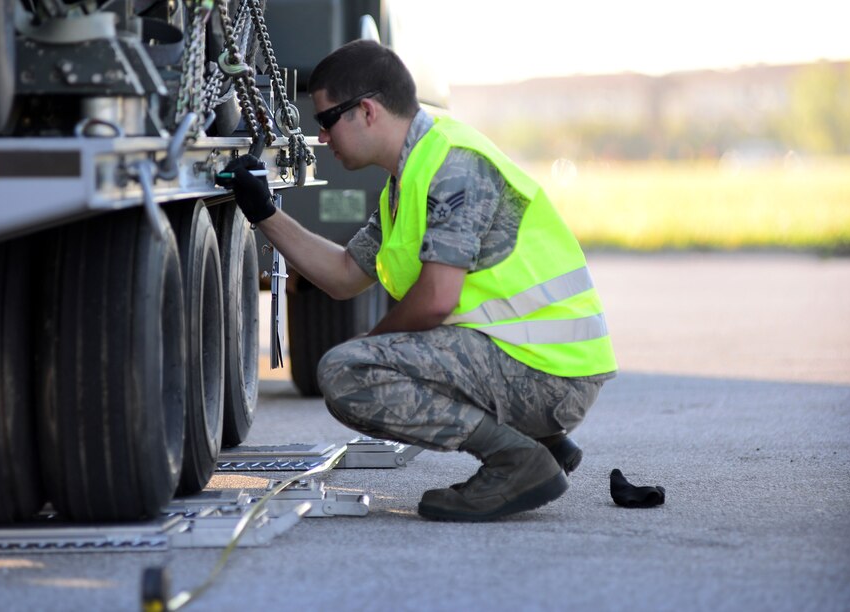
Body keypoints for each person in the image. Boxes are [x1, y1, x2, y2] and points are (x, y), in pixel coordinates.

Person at [216, 40, 617, 522]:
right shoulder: (406, 180)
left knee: (347, 373)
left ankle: (518, 460)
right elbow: (345, 275)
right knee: (357, 360)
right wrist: (263, 212)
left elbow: (435, 300)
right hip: (527, 361)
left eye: (325, 121)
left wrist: (374, 343)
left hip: (550, 372)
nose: (322, 137)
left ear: (365, 111)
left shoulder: (452, 166)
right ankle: (541, 443)